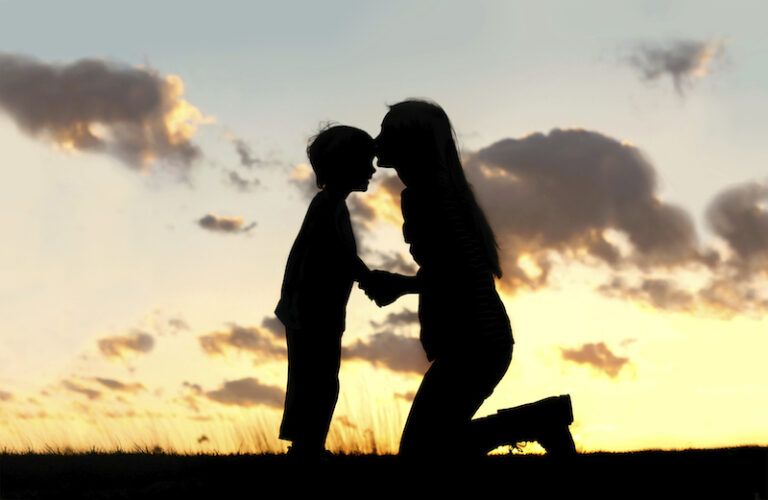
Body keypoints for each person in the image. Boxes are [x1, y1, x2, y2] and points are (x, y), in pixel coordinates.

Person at [361, 99, 575, 460]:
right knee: (432, 446)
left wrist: (400, 285)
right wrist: (405, 284)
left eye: (387, 132)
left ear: (411, 142)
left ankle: (540, 420)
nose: (377, 140)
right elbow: (453, 268)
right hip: (478, 340)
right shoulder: (439, 190)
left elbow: (455, 273)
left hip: (473, 342)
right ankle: (539, 420)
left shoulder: (428, 196)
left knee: (421, 452)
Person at [275, 124, 375, 460]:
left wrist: (366, 277)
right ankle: (306, 446)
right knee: (315, 378)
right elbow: (339, 255)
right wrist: (370, 278)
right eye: (366, 161)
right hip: (311, 310)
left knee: (319, 377)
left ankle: (308, 444)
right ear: (345, 163)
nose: (373, 169)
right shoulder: (327, 205)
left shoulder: (332, 205)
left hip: (320, 309)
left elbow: (340, 257)